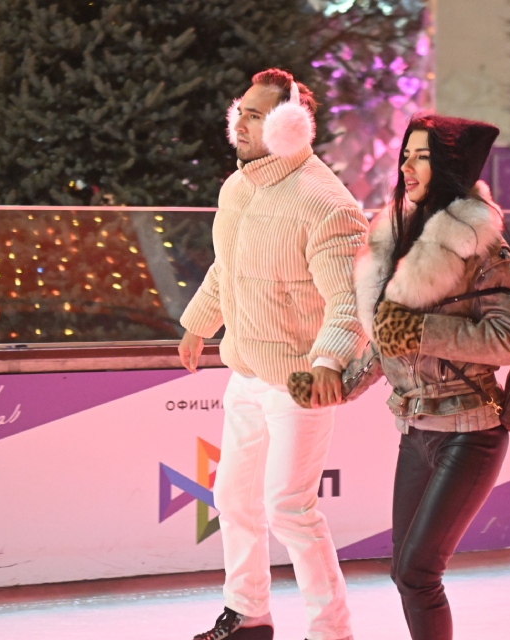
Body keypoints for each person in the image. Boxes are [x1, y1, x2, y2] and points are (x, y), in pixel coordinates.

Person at [178, 69, 368, 640]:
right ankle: (248, 613)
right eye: (241, 110)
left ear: (289, 127)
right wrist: (198, 325)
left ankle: (331, 630)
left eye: (257, 116)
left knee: (289, 507)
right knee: (233, 498)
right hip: (245, 371)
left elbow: (350, 301)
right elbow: (227, 269)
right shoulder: (237, 188)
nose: (241, 122)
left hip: (300, 383)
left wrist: (327, 363)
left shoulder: (325, 202)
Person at [349, 114, 510, 640]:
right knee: (404, 572)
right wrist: (336, 385)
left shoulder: (479, 243)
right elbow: (387, 337)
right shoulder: (399, 236)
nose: (407, 166)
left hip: (469, 433)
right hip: (416, 431)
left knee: (417, 572)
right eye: (405, 155)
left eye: (422, 156)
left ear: (449, 164)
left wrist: (420, 331)